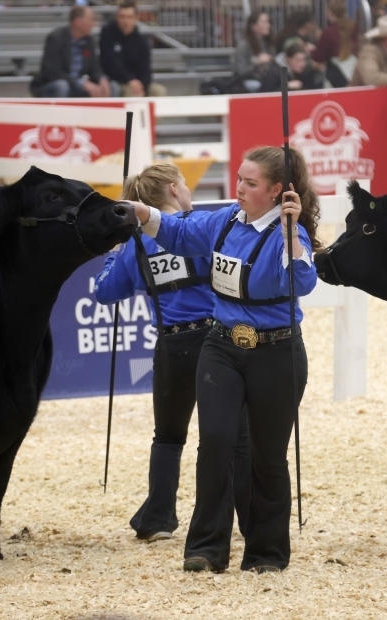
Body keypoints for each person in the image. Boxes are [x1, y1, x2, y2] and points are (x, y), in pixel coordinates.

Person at [128, 146, 320, 573]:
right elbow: (178, 233)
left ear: (276, 192)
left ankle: (266, 553)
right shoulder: (223, 222)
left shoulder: (291, 234)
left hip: (277, 351)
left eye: (250, 184)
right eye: (239, 179)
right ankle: (206, 549)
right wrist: (143, 213)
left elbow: (303, 281)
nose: (239, 189)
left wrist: (291, 230)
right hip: (220, 346)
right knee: (214, 441)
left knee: (267, 456)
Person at [93, 162, 251, 544]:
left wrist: (116, 250)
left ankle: (159, 517)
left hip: (173, 344)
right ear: (174, 190)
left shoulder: (138, 245)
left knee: (167, 436)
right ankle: (249, 518)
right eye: (184, 184)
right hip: (218, 341)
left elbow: (105, 292)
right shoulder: (206, 230)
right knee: (234, 436)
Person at [30, 5, 114, 98]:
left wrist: (101, 79)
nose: (93, 24)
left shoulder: (89, 41)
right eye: (91, 20)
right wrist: (81, 83)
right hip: (52, 83)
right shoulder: (56, 38)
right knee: (62, 86)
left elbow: (94, 68)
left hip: (76, 85)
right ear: (79, 22)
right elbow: (52, 72)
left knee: (112, 87)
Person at [99, 0, 166, 97]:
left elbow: (146, 69)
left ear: (136, 18)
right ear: (117, 17)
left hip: (137, 83)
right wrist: (129, 80)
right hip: (117, 81)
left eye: (129, 17)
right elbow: (109, 63)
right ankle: (130, 113)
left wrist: (143, 85)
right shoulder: (108, 34)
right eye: (122, 17)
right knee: (132, 93)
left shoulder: (141, 41)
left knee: (159, 91)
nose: (126, 21)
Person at [311, 0, 360, 87]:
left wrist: (312, 50)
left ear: (330, 12)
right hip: (354, 69)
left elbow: (319, 57)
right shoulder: (354, 27)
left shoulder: (328, 32)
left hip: (336, 74)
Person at [233, 10, 274, 93]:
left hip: (267, 79)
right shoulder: (243, 46)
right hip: (250, 80)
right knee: (255, 86)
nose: (268, 25)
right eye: (264, 22)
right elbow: (241, 72)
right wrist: (257, 62)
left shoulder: (268, 45)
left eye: (268, 22)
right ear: (253, 26)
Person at [258, 43, 323, 92]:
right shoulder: (274, 73)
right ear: (288, 59)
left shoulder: (303, 71)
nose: (302, 64)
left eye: (304, 60)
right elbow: (265, 94)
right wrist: (286, 86)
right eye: (298, 60)